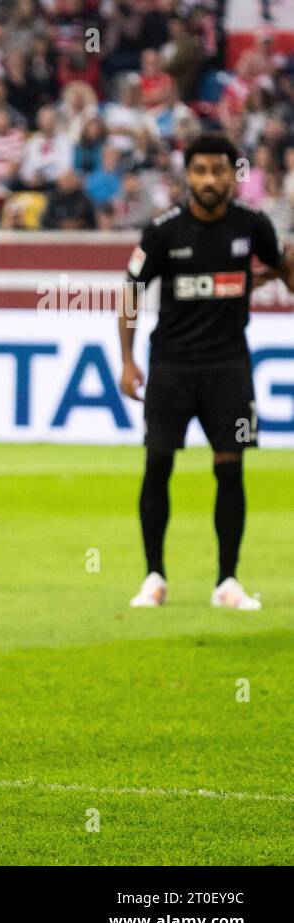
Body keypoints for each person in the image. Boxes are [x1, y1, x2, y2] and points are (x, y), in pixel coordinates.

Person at [119, 133, 293, 610]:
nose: (210, 179)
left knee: (231, 468)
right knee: (158, 465)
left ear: (233, 176)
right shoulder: (162, 231)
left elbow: (282, 266)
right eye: (200, 171)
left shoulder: (253, 225)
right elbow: (130, 291)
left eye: (219, 170)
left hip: (229, 368)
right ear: (187, 175)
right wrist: (128, 359)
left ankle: (227, 581)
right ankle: (154, 576)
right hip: (170, 367)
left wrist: (276, 271)